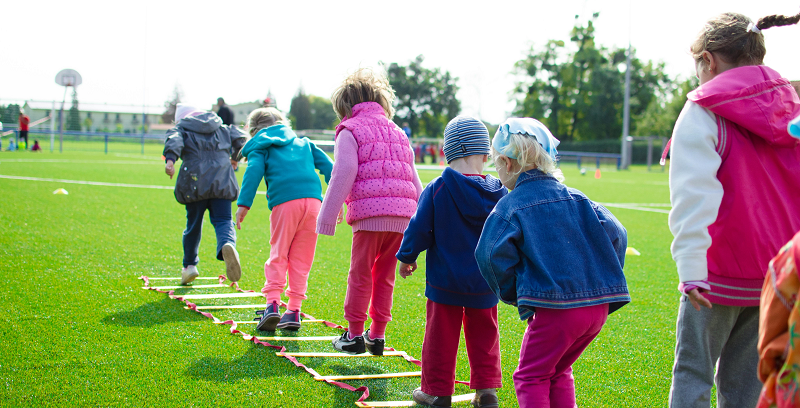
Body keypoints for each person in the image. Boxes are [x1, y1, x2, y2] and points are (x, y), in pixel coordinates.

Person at [667, 11, 800, 408]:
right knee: (748, 383)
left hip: (717, 271)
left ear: (708, 60)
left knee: (693, 371)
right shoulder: (793, 107)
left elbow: (694, 195)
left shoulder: (704, 109)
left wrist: (691, 269)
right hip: (779, 273)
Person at [475, 118, 629, 408]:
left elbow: (489, 254)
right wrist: (602, 278)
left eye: (496, 164)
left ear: (508, 163)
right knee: (558, 370)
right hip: (597, 310)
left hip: (557, 311)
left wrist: (513, 293)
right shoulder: (579, 198)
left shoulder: (510, 205)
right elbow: (618, 233)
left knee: (530, 376)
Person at [397, 116, 507, 408]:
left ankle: (437, 391)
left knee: (440, 337)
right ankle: (487, 392)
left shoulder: (437, 188)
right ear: (486, 154)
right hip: (486, 282)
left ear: (445, 152)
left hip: (444, 281)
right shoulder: (501, 192)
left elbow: (419, 228)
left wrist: (407, 257)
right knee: (485, 336)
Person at [317, 68, 423, 355]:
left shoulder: (349, 130)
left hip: (369, 216)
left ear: (346, 107)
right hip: (403, 217)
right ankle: (376, 335)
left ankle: (353, 335)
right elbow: (414, 178)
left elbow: (345, 171)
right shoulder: (399, 131)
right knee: (384, 276)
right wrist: (424, 222)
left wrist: (328, 214)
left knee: (360, 274)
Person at [236, 108, 334, 331]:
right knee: (302, 259)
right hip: (314, 204)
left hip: (285, 203)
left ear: (253, 130)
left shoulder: (261, 146)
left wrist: (244, 204)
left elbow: (253, 172)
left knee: (279, 253)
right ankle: (293, 311)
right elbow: (331, 168)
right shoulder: (304, 143)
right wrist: (337, 200)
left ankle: (272, 305)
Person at [163, 103, 246, 285]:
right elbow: (240, 138)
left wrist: (170, 160)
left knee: (193, 224)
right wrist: (235, 157)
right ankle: (228, 244)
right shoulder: (221, 126)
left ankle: (190, 266)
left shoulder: (182, 128)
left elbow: (174, 140)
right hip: (222, 180)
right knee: (224, 220)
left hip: (194, 182)